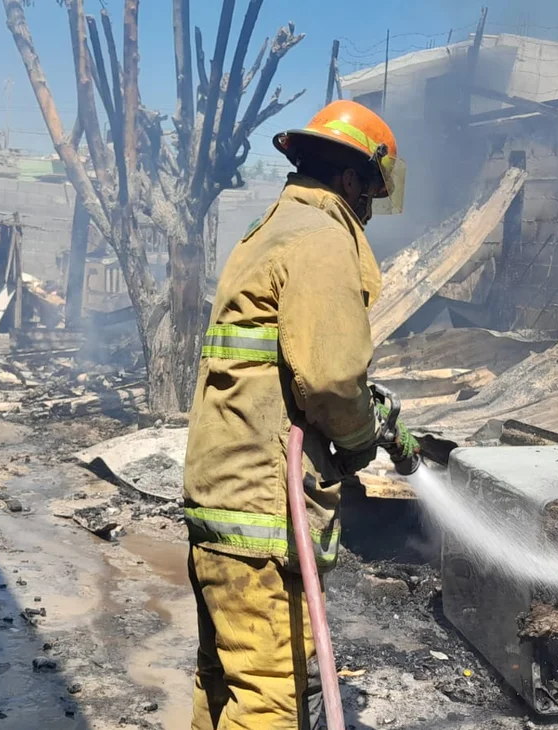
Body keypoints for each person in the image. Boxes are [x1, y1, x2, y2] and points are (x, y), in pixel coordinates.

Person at [182, 100, 405, 729]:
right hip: (262, 506)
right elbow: (330, 379)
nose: (368, 212)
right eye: (370, 196)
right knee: (269, 693)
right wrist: (360, 439)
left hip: (221, 491)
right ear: (351, 178)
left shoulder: (268, 231)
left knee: (223, 678)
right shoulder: (322, 238)